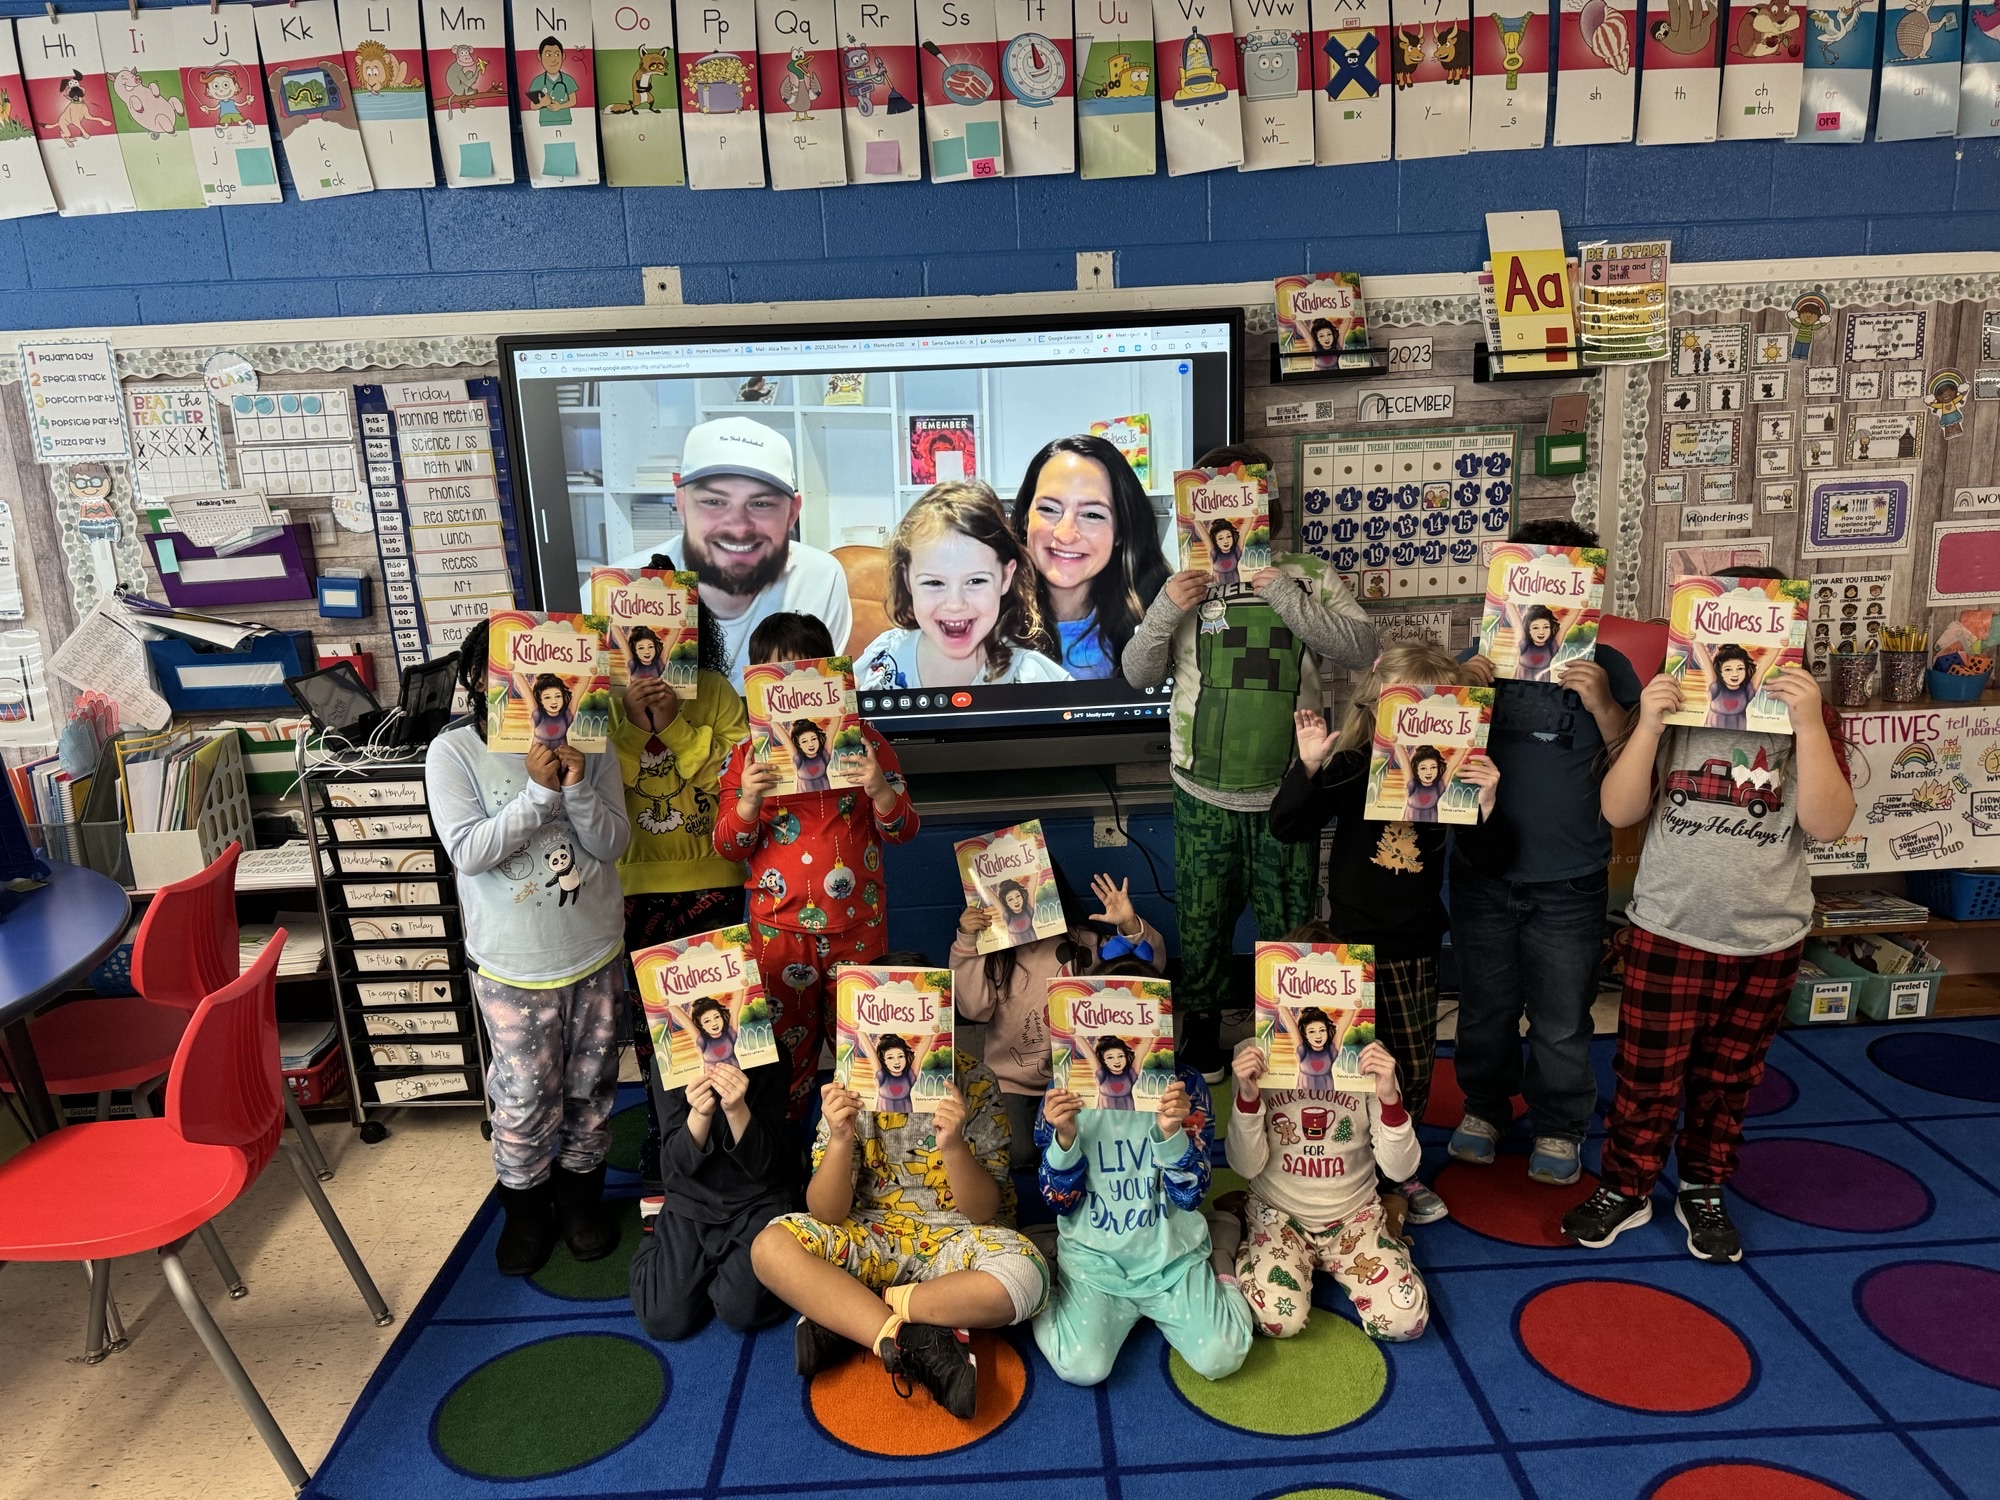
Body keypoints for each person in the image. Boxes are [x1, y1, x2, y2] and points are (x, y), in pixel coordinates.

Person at [1563, 568, 1853, 1265]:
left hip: (1766, 937)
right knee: (1647, 1076)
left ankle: (1703, 1184)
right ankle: (1628, 1186)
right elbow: (1619, 810)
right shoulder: (1680, 713)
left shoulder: (1805, 719)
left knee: (1729, 1080)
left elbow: (1829, 822)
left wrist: (1810, 722)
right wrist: (1649, 724)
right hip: (1669, 927)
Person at [1122, 443, 1377, 1082]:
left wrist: (1284, 594)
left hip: (1290, 793)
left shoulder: (1309, 576)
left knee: (1289, 919)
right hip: (1201, 789)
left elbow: (1361, 648)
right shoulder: (1178, 581)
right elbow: (1135, 672)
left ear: (1268, 512)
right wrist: (1166, 609)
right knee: (1202, 917)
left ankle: (1293, 1027)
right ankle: (1202, 1027)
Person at [1268, 646, 1511, 1226]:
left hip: (1415, 949)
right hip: (1349, 947)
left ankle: (1400, 1171)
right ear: (1378, 708)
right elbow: (1287, 826)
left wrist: (1488, 804)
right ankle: (1355, 1171)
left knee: (1413, 1069)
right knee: (1346, 1067)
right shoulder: (1352, 767)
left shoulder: (1453, 774)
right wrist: (1306, 766)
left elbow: (1492, 857)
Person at [427, 621, 632, 1275]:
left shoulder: (591, 743)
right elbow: (469, 851)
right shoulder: (454, 752)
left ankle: (579, 1198)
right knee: (522, 1094)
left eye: (551, 684)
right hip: (514, 966)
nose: (538, 699)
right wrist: (538, 794)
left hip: (594, 950)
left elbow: (611, 843)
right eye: (512, 683)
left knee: (591, 1086)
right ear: (477, 685)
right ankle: (523, 1207)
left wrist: (573, 784)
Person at [1450, 520, 1643, 1189]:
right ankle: (1483, 1107)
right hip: (1484, 869)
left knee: (1563, 1016)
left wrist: (1601, 702)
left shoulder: (1607, 664)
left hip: (1571, 876)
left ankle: (1560, 1121)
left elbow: (1628, 751)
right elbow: (1432, 752)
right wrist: (1460, 687)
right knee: (1486, 1005)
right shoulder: (1482, 652)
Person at [750, 1051, 1049, 1418]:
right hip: (870, 1230)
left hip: (958, 1236)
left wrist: (953, 1145)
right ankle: (904, 1335)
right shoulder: (852, 1078)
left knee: (1026, 1277)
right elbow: (826, 1212)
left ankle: (852, 1311)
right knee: (769, 1247)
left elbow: (983, 1210)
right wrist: (841, 1139)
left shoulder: (976, 1080)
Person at [715, 612, 919, 1117]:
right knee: (782, 1065)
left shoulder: (866, 746)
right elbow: (727, 846)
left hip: (859, 931)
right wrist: (746, 804)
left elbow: (903, 831)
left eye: (803, 676)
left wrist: (878, 788)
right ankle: (785, 1167)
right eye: (774, 680)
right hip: (779, 936)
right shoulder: (745, 758)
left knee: (869, 1053)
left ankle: (867, 1165)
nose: (792, 692)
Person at [612, 605, 747, 1190]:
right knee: (653, 1024)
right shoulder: (604, 696)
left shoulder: (715, 691)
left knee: (717, 1014)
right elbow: (604, 772)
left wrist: (674, 727)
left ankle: (729, 1120)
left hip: (713, 875)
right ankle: (669, 1127)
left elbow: (735, 775)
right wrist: (643, 725)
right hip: (636, 880)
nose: (649, 650)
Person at [1031, 1061, 1252, 1386]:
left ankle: (1220, 1255)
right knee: (1081, 1366)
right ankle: (1043, 1269)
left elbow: (1191, 1196)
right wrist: (1065, 1137)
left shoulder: (1185, 1086)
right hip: (1095, 1262)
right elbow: (1057, 1200)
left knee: (1223, 1355)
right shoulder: (1065, 1088)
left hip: (1172, 1258)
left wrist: (1171, 1133)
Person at [1225, 1016, 1429, 1343]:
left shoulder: (1365, 1056)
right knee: (1278, 1321)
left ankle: (1388, 1222)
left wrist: (1390, 1098)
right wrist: (1247, 1098)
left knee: (1404, 1323)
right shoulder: (1254, 1055)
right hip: (1278, 1215)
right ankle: (1243, 1226)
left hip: (1354, 1215)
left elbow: (1400, 1170)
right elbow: (1245, 1166)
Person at [952, 868, 1165, 1168]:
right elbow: (973, 1008)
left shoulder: (1082, 943)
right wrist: (967, 941)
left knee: (1086, 1149)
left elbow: (1149, 970)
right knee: (1019, 1153)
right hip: (1012, 1081)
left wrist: (1130, 926)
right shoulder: (995, 953)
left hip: (1079, 1077)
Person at [652, 418, 853, 688]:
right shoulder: (615, 589)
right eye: (713, 501)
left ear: (792, 512)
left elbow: (813, 702)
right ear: (681, 504)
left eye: (760, 503)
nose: (738, 527)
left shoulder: (820, 577)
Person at [627, 1036, 797, 1341]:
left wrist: (736, 1109)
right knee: (664, 1318)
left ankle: (715, 1268)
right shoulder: (667, 1059)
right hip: (692, 1200)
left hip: (759, 1198)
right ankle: (659, 1236)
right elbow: (675, 1171)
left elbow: (764, 1166)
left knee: (742, 1310)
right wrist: (700, 1115)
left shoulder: (769, 1053)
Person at [856, 481, 1072, 689]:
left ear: (1005, 578)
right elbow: (827, 721)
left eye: (976, 581)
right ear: (907, 581)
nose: (955, 604)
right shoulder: (884, 657)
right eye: (934, 582)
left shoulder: (1031, 678)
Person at [1012, 435, 1173, 680]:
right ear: (1025, 518)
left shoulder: (1157, 617)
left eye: (1092, 515)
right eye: (1049, 509)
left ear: (1120, 530)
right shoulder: (985, 618)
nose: (1065, 534)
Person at [689, 997, 739, 1068]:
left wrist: (741, 987)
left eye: (717, 1017)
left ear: (722, 1016)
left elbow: (735, 1009)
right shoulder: (702, 1041)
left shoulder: (730, 1033)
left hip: (738, 1077)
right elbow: (685, 1021)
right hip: (712, 1078)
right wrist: (668, 1002)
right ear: (701, 1025)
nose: (714, 1023)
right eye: (707, 1021)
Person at [530, 673, 574, 746]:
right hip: (539, 755)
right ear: (540, 700)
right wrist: (514, 670)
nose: (554, 702)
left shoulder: (566, 715)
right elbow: (527, 691)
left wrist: (590, 673)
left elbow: (580, 690)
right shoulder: (538, 715)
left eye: (558, 696)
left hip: (562, 756)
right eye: (547, 697)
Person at [1093, 1038, 1137, 1110]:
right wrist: (1076, 1034)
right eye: (1110, 1057)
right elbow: (1089, 1053)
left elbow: (1142, 1052)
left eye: (1121, 1056)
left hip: (1128, 1118)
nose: (1117, 1061)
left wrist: (1152, 1035)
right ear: (1103, 1060)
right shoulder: (1102, 1075)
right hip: (1104, 1119)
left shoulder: (1130, 1074)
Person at [873, 1036, 915, 1111]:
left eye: (901, 1056)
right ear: (883, 1061)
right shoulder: (882, 1076)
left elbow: (921, 1053)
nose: (897, 1062)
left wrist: (931, 1032)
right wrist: (859, 1029)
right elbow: (871, 1052)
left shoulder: (909, 1076)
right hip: (881, 1118)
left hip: (909, 1118)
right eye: (890, 1058)